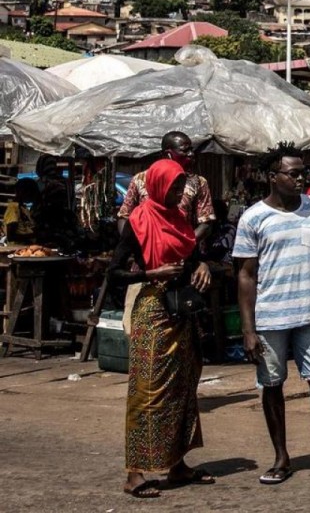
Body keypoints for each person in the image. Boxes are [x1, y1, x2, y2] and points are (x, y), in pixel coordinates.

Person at [234, 144, 310, 485]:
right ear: (273, 178)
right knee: (272, 385)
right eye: (293, 173)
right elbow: (246, 275)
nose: (301, 178)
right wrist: (248, 329)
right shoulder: (253, 218)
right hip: (269, 317)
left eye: (303, 172)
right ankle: (281, 457)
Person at [109, 159, 215, 499]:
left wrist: (202, 266)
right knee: (148, 391)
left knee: (184, 388)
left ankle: (177, 464)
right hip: (153, 312)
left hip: (181, 313)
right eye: (173, 186)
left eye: (181, 186)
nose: (179, 192)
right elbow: (114, 273)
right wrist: (149, 275)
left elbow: (190, 255)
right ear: (156, 185)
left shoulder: (179, 220)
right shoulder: (138, 222)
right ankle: (134, 473)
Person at [119, 132, 215, 248]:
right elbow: (124, 216)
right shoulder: (141, 179)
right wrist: (134, 246)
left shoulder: (198, 182)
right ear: (168, 154)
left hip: (181, 255)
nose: (191, 154)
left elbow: (206, 222)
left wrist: (183, 245)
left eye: (191, 149)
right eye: (185, 150)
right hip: (146, 254)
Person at [3, 176, 39, 242]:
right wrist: (34, 235)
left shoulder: (24, 208)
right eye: (32, 192)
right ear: (22, 192)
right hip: (18, 248)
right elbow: (11, 236)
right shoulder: (13, 208)